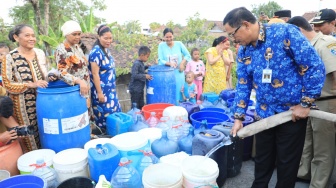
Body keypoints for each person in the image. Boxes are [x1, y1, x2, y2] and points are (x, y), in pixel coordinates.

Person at [224, 7, 325, 188]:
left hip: (291, 115)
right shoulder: (244, 51)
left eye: (233, 34)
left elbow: (314, 66)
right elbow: (242, 84)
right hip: (264, 115)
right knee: (262, 163)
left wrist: (306, 103)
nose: (233, 40)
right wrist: (238, 117)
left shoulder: (284, 33)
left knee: (287, 166)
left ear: (245, 25)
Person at [287, 16, 336, 188]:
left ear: (297, 30)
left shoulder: (326, 43)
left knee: (323, 148)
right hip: (308, 102)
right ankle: (305, 173)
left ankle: (319, 184)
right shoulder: (305, 46)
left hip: (326, 101)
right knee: (308, 143)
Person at [3, 24, 49, 152]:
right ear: (16, 37)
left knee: (46, 132)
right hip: (23, 107)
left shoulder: (39, 54)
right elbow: (7, 84)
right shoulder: (10, 58)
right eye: (27, 35)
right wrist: (30, 84)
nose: (31, 38)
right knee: (29, 138)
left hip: (43, 102)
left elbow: (45, 75)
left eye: (33, 35)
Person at [88, 25, 121, 129]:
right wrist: (99, 93)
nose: (108, 41)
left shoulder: (106, 50)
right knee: (104, 118)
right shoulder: (96, 52)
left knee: (114, 116)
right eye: (105, 38)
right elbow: (95, 74)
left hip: (110, 91)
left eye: (110, 38)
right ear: (99, 37)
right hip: (102, 92)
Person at [158, 28, 191, 105]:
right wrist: (169, 63)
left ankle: (180, 111)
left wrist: (182, 63)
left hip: (179, 73)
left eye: (170, 36)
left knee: (180, 92)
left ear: (173, 36)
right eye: (167, 37)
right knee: (169, 92)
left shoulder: (179, 44)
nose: (169, 39)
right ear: (164, 37)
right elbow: (160, 60)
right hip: (167, 74)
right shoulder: (161, 46)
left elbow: (188, 55)